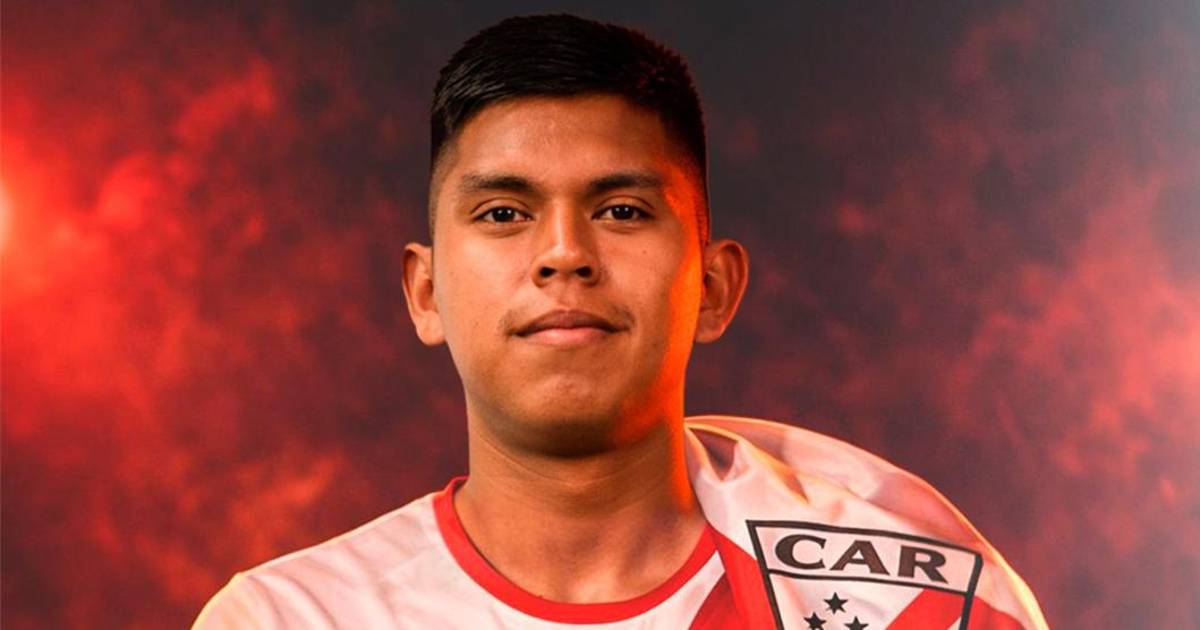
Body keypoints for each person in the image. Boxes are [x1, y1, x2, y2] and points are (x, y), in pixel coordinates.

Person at [193, 14, 1048, 629]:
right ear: (425, 293)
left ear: (712, 287)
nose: (564, 253)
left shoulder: (915, 607)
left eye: (622, 211)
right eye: (503, 214)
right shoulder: (289, 618)